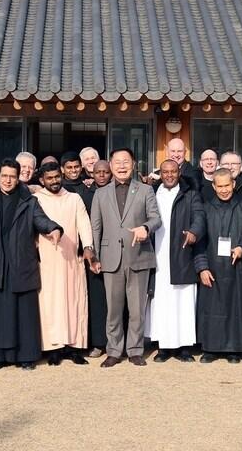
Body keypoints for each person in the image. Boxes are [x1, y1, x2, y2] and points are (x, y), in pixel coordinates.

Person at [0, 160, 63, 369]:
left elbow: (42, 220)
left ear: (18, 177)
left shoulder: (28, 201)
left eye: (12, 176)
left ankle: (26, 357)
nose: (8, 180)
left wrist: (54, 229)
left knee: (23, 314)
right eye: (4, 176)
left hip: (21, 263)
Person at [89, 148, 161, 367]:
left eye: (126, 162)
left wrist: (146, 228)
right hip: (111, 258)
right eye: (117, 162)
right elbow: (96, 227)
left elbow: (156, 218)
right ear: (110, 165)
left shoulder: (145, 190)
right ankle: (113, 350)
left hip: (138, 255)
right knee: (114, 309)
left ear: (133, 164)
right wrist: (95, 255)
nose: (122, 166)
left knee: (137, 309)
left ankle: (135, 350)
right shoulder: (100, 193)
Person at [34, 161, 93, 365]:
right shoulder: (36, 199)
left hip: (72, 260)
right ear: (42, 180)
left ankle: (74, 347)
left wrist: (88, 247)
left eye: (57, 177)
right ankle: (54, 349)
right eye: (49, 178)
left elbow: (84, 224)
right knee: (50, 304)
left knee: (74, 302)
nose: (54, 181)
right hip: (48, 261)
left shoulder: (74, 198)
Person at [146, 159, 203, 362]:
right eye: (165, 172)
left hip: (182, 254)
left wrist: (194, 232)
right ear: (160, 173)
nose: (169, 175)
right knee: (161, 303)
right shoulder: (151, 193)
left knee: (183, 303)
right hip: (158, 255)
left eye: (173, 171)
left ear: (179, 172)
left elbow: (199, 217)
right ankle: (163, 347)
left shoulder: (190, 193)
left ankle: (184, 348)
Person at [193, 170, 242, 363]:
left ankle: (233, 349)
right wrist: (202, 267)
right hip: (212, 266)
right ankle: (210, 348)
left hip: (236, 267)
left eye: (227, 185)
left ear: (233, 184)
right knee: (212, 309)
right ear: (213, 186)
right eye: (220, 186)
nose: (224, 190)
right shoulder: (205, 209)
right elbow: (199, 241)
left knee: (235, 308)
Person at [83, 158, 114, 356]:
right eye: (98, 172)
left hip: (115, 253)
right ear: (91, 174)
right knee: (97, 300)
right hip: (94, 253)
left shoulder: (117, 192)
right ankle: (98, 342)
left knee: (117, 300)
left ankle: (117, 342)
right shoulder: (85, 194)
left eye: (105, 172)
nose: (102, 175)